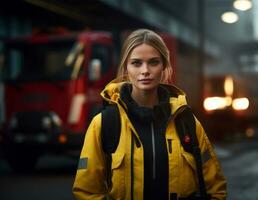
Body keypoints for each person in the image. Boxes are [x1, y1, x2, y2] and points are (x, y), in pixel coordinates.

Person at [72, 29, 227, 200]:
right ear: (126, 68)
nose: (145, 70)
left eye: (153, 62)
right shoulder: (104, 123)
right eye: (136, 63)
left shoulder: (187, 122)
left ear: (164, 66)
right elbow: (86, 191)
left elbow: (216, 189)